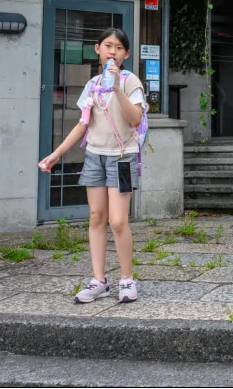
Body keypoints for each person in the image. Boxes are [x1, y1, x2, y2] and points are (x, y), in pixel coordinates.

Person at [39, 27, 145, 304]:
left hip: (122, 157)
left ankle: (127, 279)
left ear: (126, 54)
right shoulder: (93, 84)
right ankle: (99, 280)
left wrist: (118, 87)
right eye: (108, 46)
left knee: (118, 220)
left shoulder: (131, 81)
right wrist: (57, 153)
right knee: (97, 217)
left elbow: (135, 118)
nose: (113, 51)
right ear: (97, 49)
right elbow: (83, 124)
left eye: (119, 48)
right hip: (94, 155)